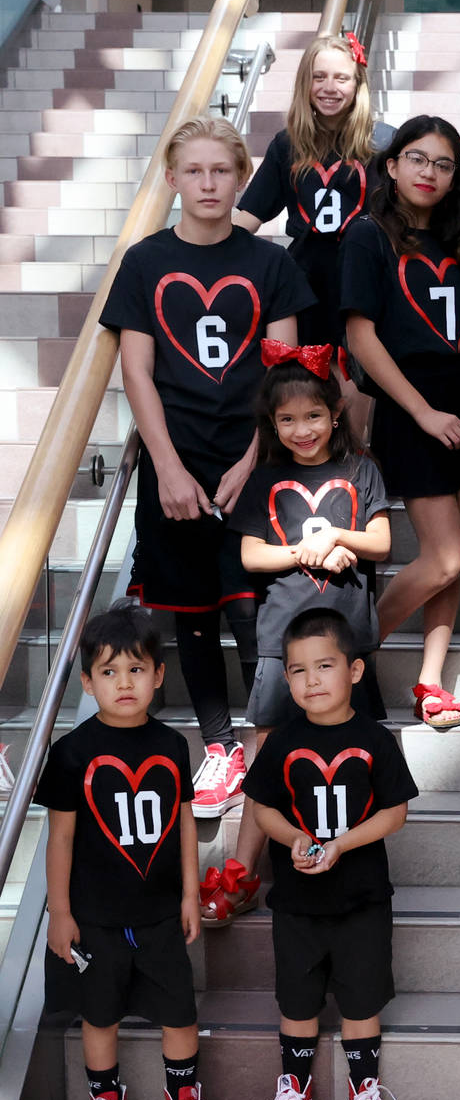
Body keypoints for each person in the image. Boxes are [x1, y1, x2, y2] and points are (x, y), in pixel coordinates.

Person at [100, 115, 315, 819]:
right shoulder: (145, 262)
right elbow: (137, 371)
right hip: (178, 463)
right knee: (190, 612)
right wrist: (166, 467)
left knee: (256, 610)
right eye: (193, 171)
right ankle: (219, 746)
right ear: (171, 179)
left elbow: (284, 376)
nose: (208, 183)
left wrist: (255, 456)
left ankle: (266, 743)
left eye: (221, 170)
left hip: (254, 461)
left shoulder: (271, 263)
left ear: (242, 177)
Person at [197, 345, 391, 927]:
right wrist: (303, 551)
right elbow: (252, 555)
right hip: (284, 641)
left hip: (345, 641)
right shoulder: (264, 480)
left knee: (351, 752)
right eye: (286, 420)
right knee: (267, 755)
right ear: (272, 425)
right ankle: (242, 872)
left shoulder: (361, 470)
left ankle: (347, 857)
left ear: (334, 414)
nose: (301, 430)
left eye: (312, 416)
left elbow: (381, 542)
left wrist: (338, 536)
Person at [36, 603, 216, 1100]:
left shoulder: (171, 745)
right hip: (95, 918)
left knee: (179, 1013)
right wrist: (60, 912)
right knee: (99, 1016)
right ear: (88, 683)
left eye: (136, 670)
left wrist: (190, 893)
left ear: (159, 676)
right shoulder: (70, 754)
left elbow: (185, 822)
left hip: (161, 912)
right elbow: (60, 839)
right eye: (109, 673)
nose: (124, 683)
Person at [341, 115, 460, 730]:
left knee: (449, 554)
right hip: (415, 406)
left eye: (442, 163)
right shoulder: (367, 236)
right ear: (392, 165)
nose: (429, 172)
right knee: (446, 558)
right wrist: (423, 413)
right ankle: (342, 655)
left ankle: (430, 682)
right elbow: (360, 335)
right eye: (417, 158)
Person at [244, 608, 417, 1100]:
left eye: (324, 666)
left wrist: (341, 844)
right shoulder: (283, 742)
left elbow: (395, 814)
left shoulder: (376, 740)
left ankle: (364, 1091)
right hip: (296, 902)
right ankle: (295, 1091)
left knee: (361, 1003)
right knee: (297, 1004)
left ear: (355, 671)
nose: (311, 680)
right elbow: (262, 808)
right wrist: (294, 836)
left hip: (363, 900)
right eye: (297, 670)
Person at [234, 32, 385, 438]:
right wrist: (201, 247)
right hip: (306, 279)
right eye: (320, 77)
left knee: (356, 371)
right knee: (311, 376)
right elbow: (249, 213)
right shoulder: (288, 145)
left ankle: (359, 459)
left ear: (357, 85)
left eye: (342, 78)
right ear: (305, 83)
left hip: (361, 274)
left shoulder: (378, 146)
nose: (330, 88)